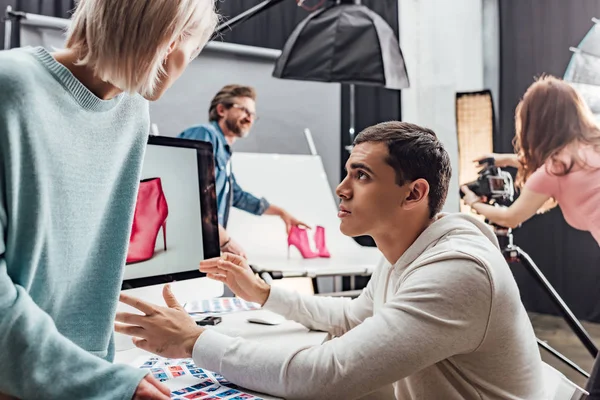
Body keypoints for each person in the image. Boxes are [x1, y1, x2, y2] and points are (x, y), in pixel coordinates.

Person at [115, 121, 546, 400]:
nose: (341, 189)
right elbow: (354, 317)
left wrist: (193, 342)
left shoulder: (457, 272)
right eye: (347, 172)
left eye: (362, 175)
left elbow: (326, 375)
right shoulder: (412, 252)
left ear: (413, 193)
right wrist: (263, 292)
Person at [0, 1, 218, 399]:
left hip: (81, 373)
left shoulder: (133, 110)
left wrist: (99, 375)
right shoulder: (9, 87)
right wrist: (100, 383)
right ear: (170, 41)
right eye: (194, 43)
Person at [461, 75, 600, 398]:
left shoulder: (554, 170)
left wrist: (472, 201)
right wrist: (505, 159)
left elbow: (511, 216)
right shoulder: (590, 147)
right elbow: (551, 163)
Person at [178, 85, 308, 258]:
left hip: (203, 246)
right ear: (222, 110)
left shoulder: (224, 153)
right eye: (244, 111)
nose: (249, 118)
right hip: (187, 244)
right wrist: (225, 240)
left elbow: (237, 196)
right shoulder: (205, 134)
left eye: (253, 114)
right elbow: (190, 192)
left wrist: (281, 213)